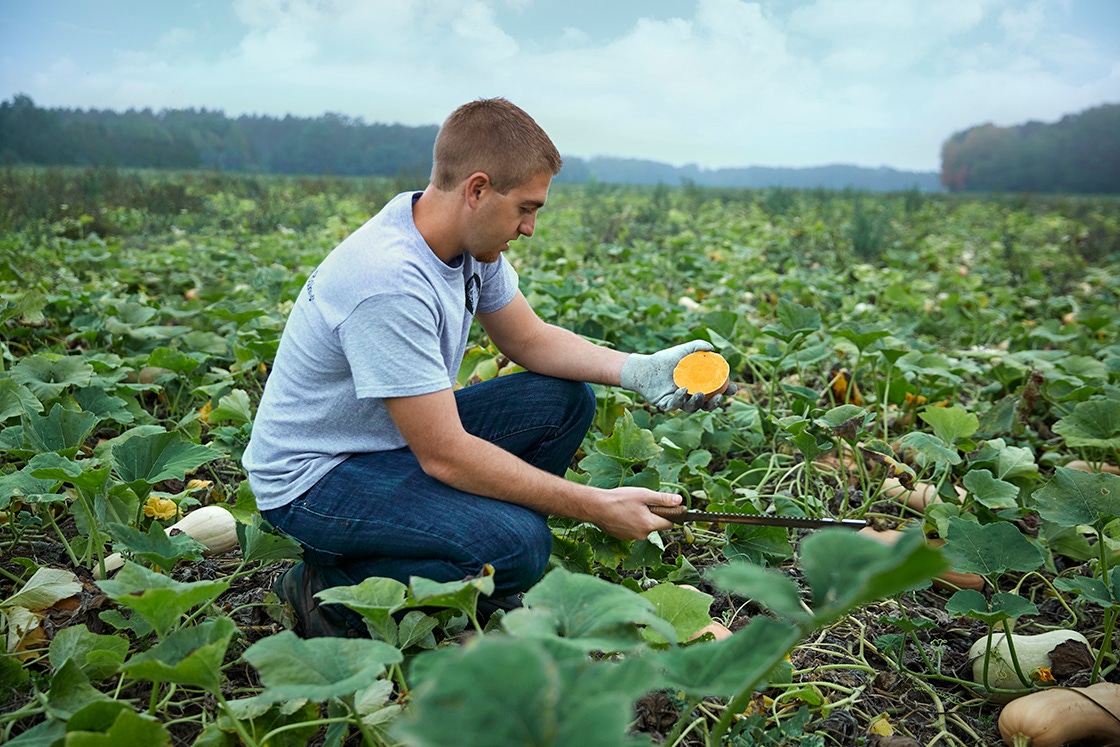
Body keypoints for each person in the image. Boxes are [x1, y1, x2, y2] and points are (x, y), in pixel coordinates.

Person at [242, 98, 735, 637]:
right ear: (476, 190)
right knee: (519, 546)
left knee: (563, 400)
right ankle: (328, 595)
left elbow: (531, 339)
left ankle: (473, 563)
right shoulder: (386, 281)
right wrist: (596, 505)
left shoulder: (468, 247)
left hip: (385, 445)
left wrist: (641, 370)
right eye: (526, 208)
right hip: (316, 480)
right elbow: (446, 455)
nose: (528, 229)